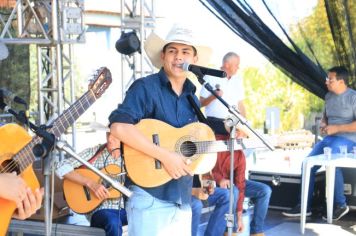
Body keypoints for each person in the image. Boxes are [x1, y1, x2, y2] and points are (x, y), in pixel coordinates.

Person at [108, 24, 212, 236]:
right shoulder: (145, 87)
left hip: (182, 198)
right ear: (163, 55)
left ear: (194, 59)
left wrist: (204, 177)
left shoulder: (192, 98)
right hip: (149, 197)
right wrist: (164, 156)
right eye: (172, 51)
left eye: (185, 52)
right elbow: (119, 127)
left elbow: (190, 145)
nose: (178, 57)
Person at [200, 52, 271, 236]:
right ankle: (225, 230)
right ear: (227, 64)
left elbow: (241, 104)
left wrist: (243, 126)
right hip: (214, 123)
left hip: (232, 122)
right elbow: (200, 102)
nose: (238, 68)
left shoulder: (237, 81)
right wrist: (214, 96)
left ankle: (256, 231)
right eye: (236, 65)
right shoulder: (211, 75)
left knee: (260, 190)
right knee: (230, 190)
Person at [282, 66, 356, 221]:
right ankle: (304, 207)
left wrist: (336, 128)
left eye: (330, 79)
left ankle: (341, 204)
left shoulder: (353, 97)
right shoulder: (328, 96)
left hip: (347, 140)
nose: (326, 81)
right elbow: (326, 117)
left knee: (331, 163)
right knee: (307, 163)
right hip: (330, 139)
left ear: (341, 82)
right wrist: (324, 124)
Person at [55, 131, 127, 236]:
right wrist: (90, 183)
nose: (109, 139)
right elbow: (59, 166)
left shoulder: (130, 158)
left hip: (126, 209)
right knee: (113, 223)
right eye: (108, 134)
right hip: (101, 210)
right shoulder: (96, 151)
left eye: (115, 136)